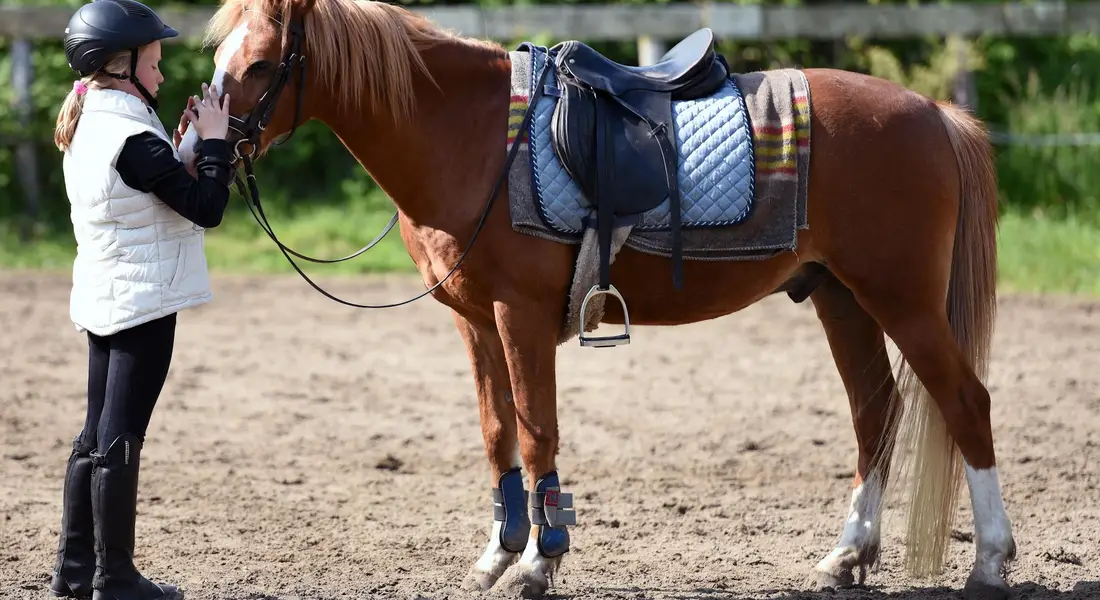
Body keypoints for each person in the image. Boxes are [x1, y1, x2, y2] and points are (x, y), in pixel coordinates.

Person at [50, 1, 234, 598]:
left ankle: (75, 572)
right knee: (121, 436)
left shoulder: (95, 118)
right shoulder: (131, 133)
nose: (160, 75)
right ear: (122, 64)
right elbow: (206, 208)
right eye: (153, 63)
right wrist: (214, 143)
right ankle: (115, 578)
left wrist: (180, 148)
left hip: (105, 294)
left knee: (93, 434)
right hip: (142, 303)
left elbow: (146, 190)